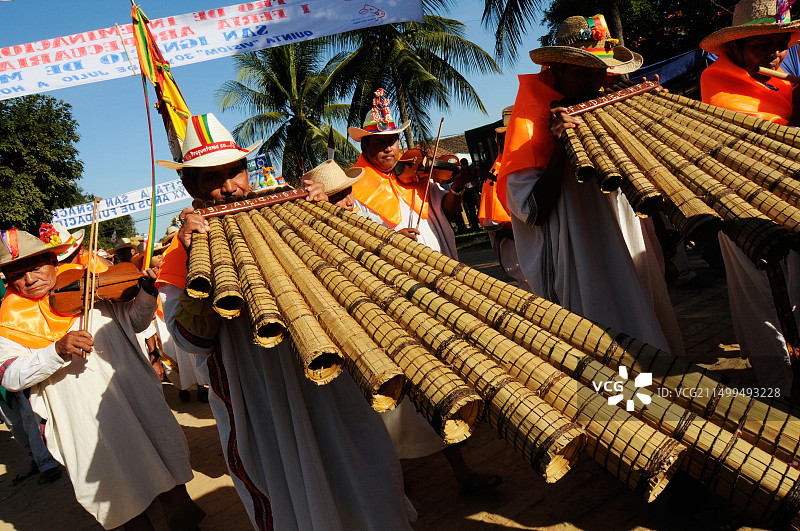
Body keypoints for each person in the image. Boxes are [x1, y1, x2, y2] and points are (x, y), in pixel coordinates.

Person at [156, 113, 415, 530]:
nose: (229, 187)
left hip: (329, 379)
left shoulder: (292, 209)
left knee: (365, 466)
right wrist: (191, 257)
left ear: (248, 170)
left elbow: (351, 276)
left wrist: (328, 216)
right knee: (287, 488)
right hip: (258, 395)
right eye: (211, 179)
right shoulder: (178, 253)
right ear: (190, 187)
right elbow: (190, 342)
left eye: (234, 172)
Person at [497, 14, 684, 357]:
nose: (597, 82)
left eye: (602, 71)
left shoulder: (608, 101)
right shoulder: (529, 123)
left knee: (652, 328)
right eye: (584, 71)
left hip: (630, 240)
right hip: (582, 256)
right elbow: (532, 211)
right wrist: (558, 148)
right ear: (556, 69)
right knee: (609, 345)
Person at [348, 92, 501, 493]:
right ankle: (449, 469)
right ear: (364, 146)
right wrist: (392, 241)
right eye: (379, 144)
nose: (389, 150)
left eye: (393, 141)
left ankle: (460, 443)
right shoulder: (355, 187)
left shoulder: (416, 178)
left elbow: (445, 215)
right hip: (401, 294)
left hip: (444, 282)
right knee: (420, 380)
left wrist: (457, 190)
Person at [0, 229, 203, 530]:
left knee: (167, 470)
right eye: (18, 274)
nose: (29, 280)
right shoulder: (9, 319)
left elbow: (136, 321)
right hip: (80, 419)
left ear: (52, 262)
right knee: (117, 490)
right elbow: (11, 375)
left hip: (133, 397)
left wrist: (147, 292)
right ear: (6, 278)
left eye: (35, 268)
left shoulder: (92, 282)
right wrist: (56, 350)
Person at [700, 0, 800, 395]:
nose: (776, 54)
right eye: (763, 45)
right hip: (746, 214)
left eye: (780, 43)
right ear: (734, 49)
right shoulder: (719, 84)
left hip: (788, 206)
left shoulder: (777, 85)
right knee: (762, 303)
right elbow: (760, 150)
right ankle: (780, 389)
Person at [478, 105, 531, 291]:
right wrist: (535, 234)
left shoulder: (524, 164)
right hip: (522, 260)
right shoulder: (497, 171)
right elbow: (497, 222)